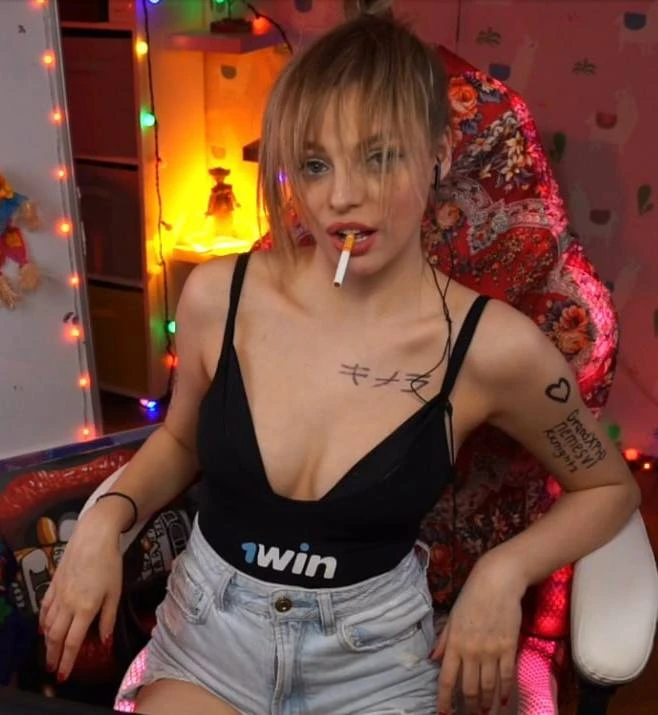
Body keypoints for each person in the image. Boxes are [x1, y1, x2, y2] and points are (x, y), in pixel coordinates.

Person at [39, 2, 640, 714]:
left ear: (439, 152)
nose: (342, 198)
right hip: (209, 636)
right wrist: (105, 519)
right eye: (316, 164)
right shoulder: (219, 297)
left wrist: (502, 572)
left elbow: (609, 488)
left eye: (379, 157)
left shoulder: (490, 346)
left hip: (374, 659)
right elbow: (179, 439)